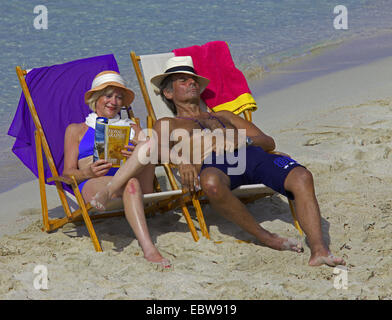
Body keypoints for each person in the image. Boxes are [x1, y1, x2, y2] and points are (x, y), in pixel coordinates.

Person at [148, 56, 346, 267]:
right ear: (168, 93)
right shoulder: (168, 123)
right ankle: (267, 237)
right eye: (183, 80)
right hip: (213, 165)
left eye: (193, 80)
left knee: (302, 176)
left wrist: (244, 139)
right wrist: (181, 161)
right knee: (211, 184)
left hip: (250, 155)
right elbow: (155, 150)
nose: (192, 83)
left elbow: (268, 141)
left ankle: (319, 250)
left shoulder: (224, 116)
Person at [63, 70, 170, 268]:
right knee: (131, 183)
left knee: (148, 141)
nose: (114, 101)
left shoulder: (132, 127)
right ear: (96, 98)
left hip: (129, 185)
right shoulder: (77, 130)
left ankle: (110, 190)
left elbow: (161, 155)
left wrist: (137, 154)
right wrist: (87, 172)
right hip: (96, 183)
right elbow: (67, 174)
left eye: (119, 97)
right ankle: (149, 248)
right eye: (108, 95)